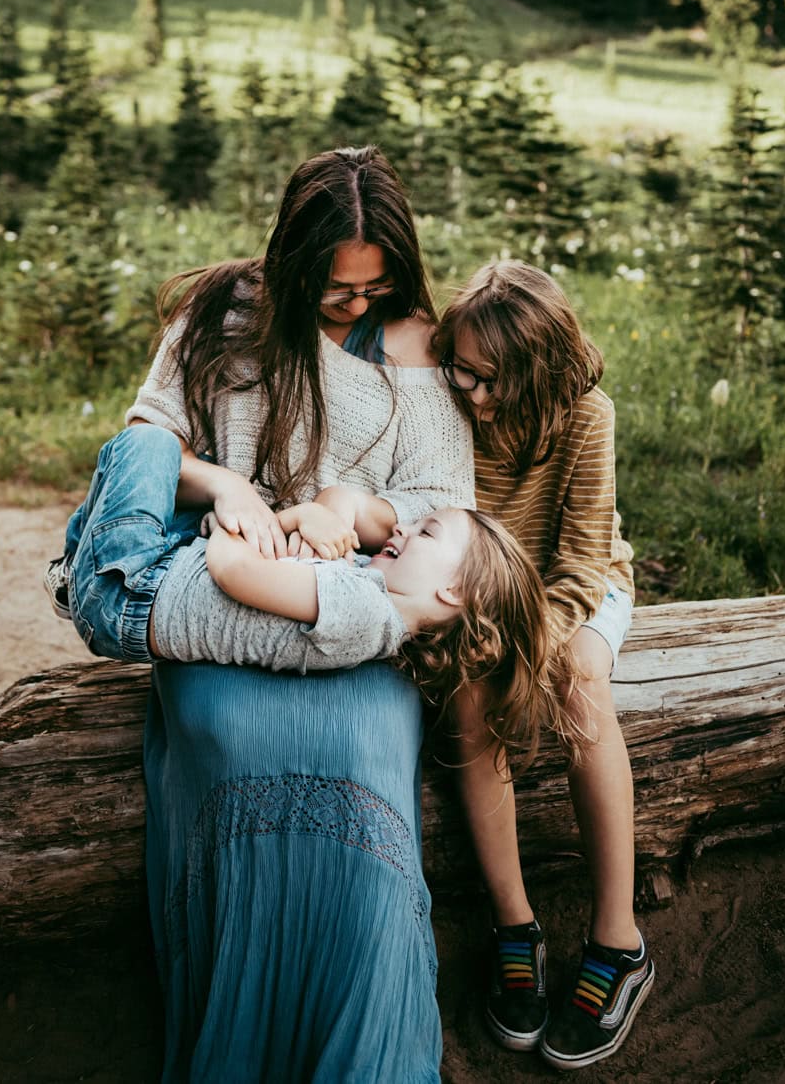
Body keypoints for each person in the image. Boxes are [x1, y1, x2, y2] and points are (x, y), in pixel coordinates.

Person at [62, 145, 476, 1083]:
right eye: (336, 288)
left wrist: (348, 508)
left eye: (375, 287)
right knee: (225, 737)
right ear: (292, 261)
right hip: (224, 584)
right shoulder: (225, 318)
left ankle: (362, 1049)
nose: (356, 306)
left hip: (357, 603)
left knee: (364, 760)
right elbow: (146, 436)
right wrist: (224, 484)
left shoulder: (417, 346)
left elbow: (446, 506)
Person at [435, 259, 654, 1073]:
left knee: (578, 686)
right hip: (482, 597)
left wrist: (535, 646)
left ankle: (618, 940)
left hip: (579, 588)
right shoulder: (446, 398)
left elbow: (583, 561)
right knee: (468, 700)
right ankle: (513, 926)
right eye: (465, 371)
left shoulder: (586, 417)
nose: (476, 395)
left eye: (496, 381)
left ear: (543, 372)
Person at [50, 440, 561, 766]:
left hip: (130, 593)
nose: (403, 526)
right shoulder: (376, 595)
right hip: (165, 574)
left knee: (148, 444)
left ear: (452, 592)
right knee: (198, 466)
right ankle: (75, 569)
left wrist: (252, 515)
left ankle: (76, 573)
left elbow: (234, 570)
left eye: (426, 532)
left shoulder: (363, 612)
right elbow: (332, 514)